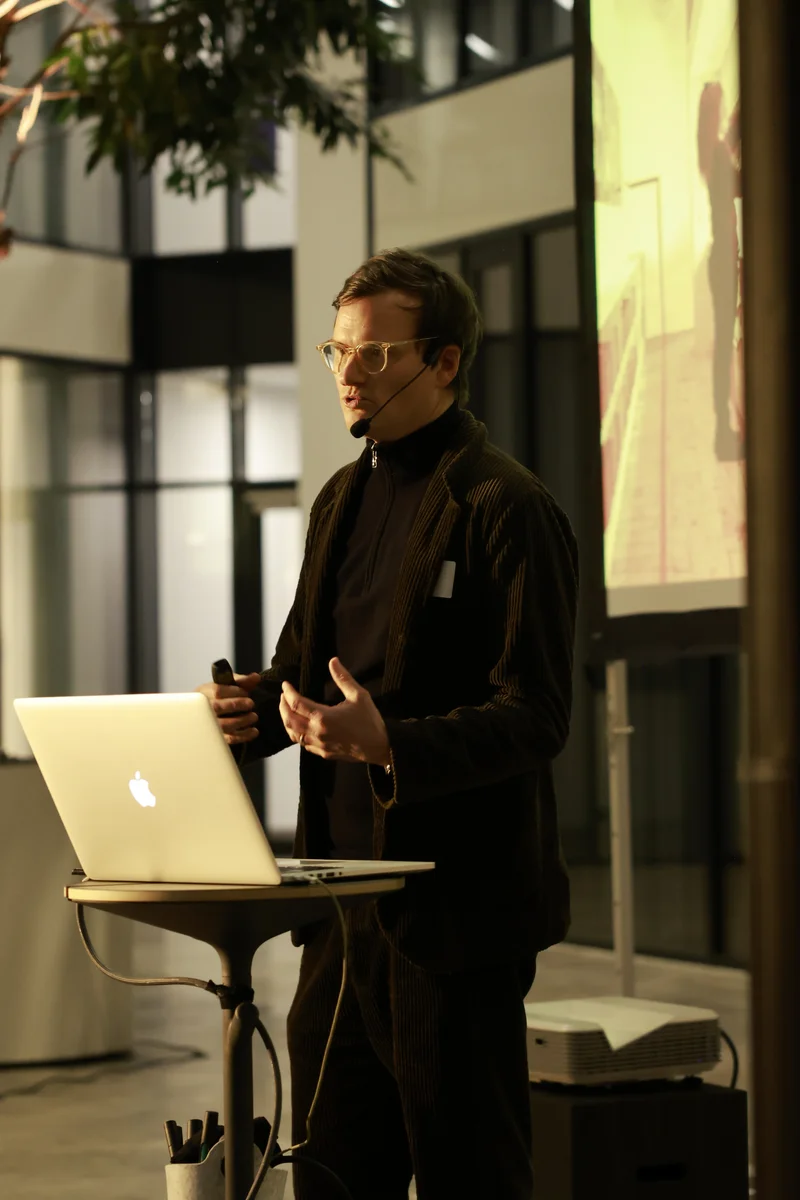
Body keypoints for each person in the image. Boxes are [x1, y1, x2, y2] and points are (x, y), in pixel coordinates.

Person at [197, 249, 579, 1199]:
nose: (348, 374)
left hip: (455, 922)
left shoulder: (505, 506)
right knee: (330, 1178)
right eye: (338, 352)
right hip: (337, 911)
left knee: (471, 1179)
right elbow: (303, 678)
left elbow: (536, 716)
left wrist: (391, 745)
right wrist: (251, 710)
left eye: (373, 355)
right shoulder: (341, 497)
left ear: (444, 362)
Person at [697, 82, 743, 462]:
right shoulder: (717, 153)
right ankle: (722, 436)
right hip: (724, 259)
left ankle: (723, 431)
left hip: (722, 258)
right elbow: (740, 184)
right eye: (721, 104)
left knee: (723, 349)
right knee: (724, 352)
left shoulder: (711, 151)